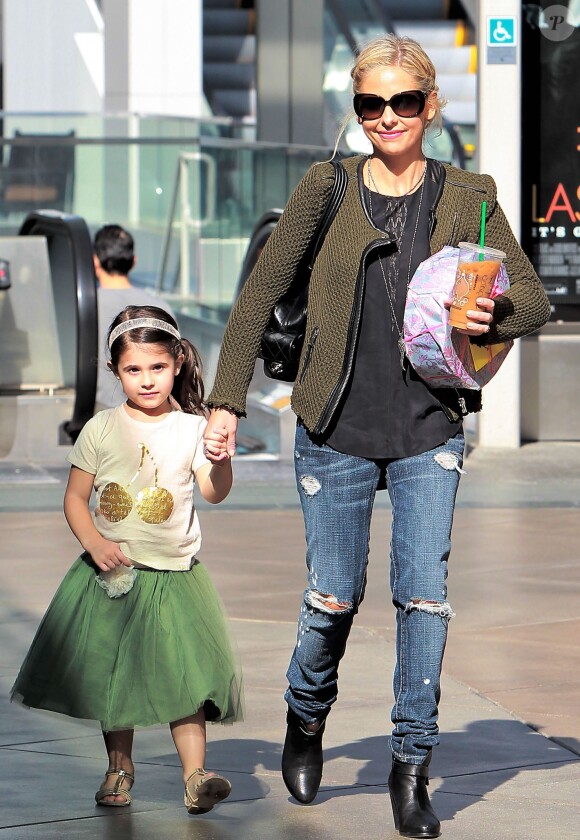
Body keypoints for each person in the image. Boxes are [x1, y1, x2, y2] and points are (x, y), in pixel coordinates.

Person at [202, 33, 551, 839]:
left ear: (429, 106)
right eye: (370, 104)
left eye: (402, 102)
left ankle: (412, 765)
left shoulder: (468, 194)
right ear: (357, 109)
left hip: (430, 424)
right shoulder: (326, 186)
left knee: (423, 599)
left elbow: (532, 300)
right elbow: (260, 294)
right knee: (334, 596)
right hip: (335, 424)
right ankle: (306, 714)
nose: (386, 117)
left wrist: (487, 311)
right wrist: (226, 399)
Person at [11, 305, 243, 815]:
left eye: (157, 367)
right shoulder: (100, 428)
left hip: (174, 577)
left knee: (187, 682)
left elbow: (213, 492)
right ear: (116, 371)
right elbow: (75, 498)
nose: (146, 380)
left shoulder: (192, 429)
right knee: (115, 680)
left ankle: (195, 777)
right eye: (133, 370)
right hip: (111, 573)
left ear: (178, 363)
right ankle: (119, 766)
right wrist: (94, 542)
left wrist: (223, 462)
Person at [94, 224, 177, 410]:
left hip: (100, 408)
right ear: (133, 261)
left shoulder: (85, 307)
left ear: (95, 261)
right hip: (154, 411)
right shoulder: (161, 308)